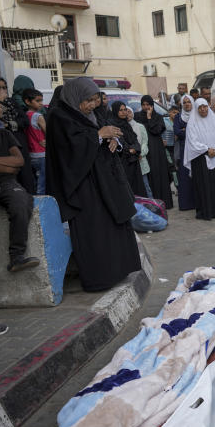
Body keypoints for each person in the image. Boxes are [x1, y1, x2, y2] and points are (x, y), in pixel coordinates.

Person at [45, 77, 140, 291]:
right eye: (87, 100)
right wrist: (98, 135)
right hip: (82, 186)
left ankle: (119, 270)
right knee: (94, 232)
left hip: (105, 181)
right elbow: (67, 151)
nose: (91, 105)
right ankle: (100, 279)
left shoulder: (91, 113)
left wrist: (112, 140)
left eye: (94, 99)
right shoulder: (59, 116)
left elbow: (104, 133)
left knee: (113, 227)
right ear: (75, 96)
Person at [0, 122, 39, 272]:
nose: (0, 108)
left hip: (6, 181)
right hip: (6, 176)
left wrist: (9, 166)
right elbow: (12, 165)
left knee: (21, 203)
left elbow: (19, 161)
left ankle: (16, 257)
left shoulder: (5, 134)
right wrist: (8, 165)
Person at [184, 98, 215, 220]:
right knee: (203, 186)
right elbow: (192, 141)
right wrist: (206, 149)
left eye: (205, 107)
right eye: (200, 107)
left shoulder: (214, 121)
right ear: (197, 109)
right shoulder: (192, 123)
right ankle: (205, 211)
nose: (203, 109)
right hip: (200, 158)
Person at [134, 95, 174, 208]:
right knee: (148, 175)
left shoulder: (158, 117)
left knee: (159, 173)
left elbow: (156, 130)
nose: (146, 107)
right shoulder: (137, 116)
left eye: (148, 105)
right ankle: (150, 202)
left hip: (156, 149)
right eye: (143, 105)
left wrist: (150, 117)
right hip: (144, 148)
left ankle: (162, 201)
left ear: (152, 105)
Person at [0, 77, 34, 194]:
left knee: (25, 174)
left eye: (4, 87)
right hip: (3, 146)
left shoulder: (11, 102)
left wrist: (8, 124)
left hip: (18, 140)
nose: (2, 90)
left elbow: (24, 121)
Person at [108, 101, 147, 197]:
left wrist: (135, 149)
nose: (124, 112)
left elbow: (135, 140)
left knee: (137, 187)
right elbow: (119, 141)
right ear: (115, 111)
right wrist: (129, 150)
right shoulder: (111, 124)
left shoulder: (126, 124)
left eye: (125, 109)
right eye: (120, 110)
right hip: (123, 162)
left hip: (133, 161)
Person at [173, 94, 195, 211]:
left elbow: (198, 131)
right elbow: (177, 131)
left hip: (195, 149)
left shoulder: (196, 115)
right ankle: (186, 204)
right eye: (185, 102)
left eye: (189, 102)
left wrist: (185, 130)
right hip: (183, 149)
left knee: (195, 176)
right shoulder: (178, 117)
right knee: (184, 176)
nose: (187, 104)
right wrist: (187, 130)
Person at [124, 104, 152, 197]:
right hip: (130, 160)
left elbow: (145, 142)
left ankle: (151, 206)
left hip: (141, 159)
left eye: (129, 111)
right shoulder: (122, 127)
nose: (127, 114)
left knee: (145, 185)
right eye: (125, 111)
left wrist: (140, 153)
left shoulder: (140, 126)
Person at [22, 89, 47, 195]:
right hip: (41, 154)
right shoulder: (38, 116)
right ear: (28, 101)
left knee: (36, 181)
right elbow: (48, 132)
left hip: (31, 154)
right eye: (38, 101)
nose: (41, 103)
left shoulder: (24, 115)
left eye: (41, 100)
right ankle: (39, 207)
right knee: (42, 183)